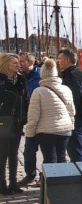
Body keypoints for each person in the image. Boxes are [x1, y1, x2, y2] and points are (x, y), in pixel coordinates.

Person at [24, 59, 74, 164]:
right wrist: (71, 125)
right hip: (65, 129)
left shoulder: (38, 91)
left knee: (49, 159)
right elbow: (71, 111)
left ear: (42, 74)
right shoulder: (66, 89)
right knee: (62, 158)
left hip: (47, 131)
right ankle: (64, 179)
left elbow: (33, 115)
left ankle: (50, 180)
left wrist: (30, 133)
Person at [57, 48, 82, 162]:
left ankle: (80, 175)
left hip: (75, 118)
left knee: (75, 150)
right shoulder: (80, 73)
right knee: (77, 148)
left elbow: (78, 98)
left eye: (60, 59)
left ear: (67, 60)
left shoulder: (71, 76)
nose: (58, 61)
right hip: (80, 117)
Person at [0, 54, 29, 195]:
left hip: (18, 121)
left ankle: (13, 183)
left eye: (18, 63)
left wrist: (25, 116)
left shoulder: (21, 80)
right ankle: (2, 185)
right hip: (3, 121)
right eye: (15, 63)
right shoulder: (1, 80)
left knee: (14, 154)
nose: (18, 65)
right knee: (2, 155)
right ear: (6, 64)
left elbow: (26, 99)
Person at [18, 53, 40, 186]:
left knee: (47, 150)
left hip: (41, 118)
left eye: (22, 61)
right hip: (29, 118)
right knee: (29, 150)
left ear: (30, 62)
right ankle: (30, 174)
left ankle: (46, 176)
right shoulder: (21, 78)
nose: (19, 64)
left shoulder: (39, 77)